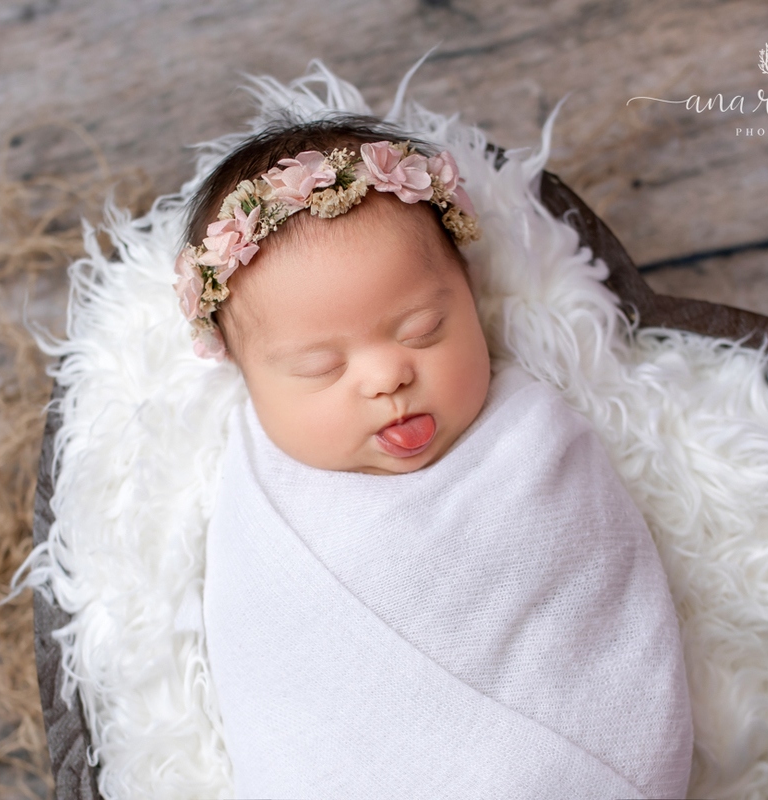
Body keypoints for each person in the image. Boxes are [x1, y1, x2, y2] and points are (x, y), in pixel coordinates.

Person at [178, 114, 694, 798]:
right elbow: (281, 687)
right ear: (247, 377)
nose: (386, 377)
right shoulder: (262, 505)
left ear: (469, 295)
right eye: (321, 367)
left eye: (423, 331)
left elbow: (602, 614)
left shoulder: (532, 442)